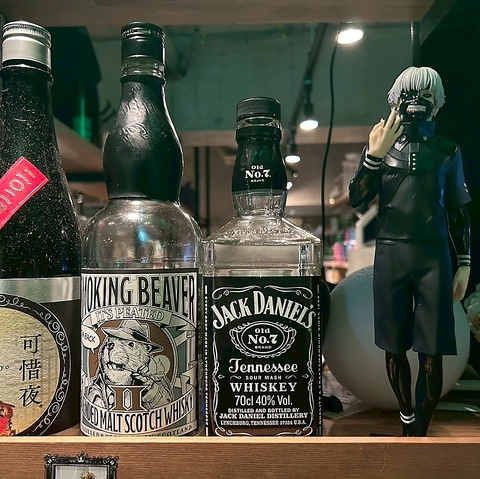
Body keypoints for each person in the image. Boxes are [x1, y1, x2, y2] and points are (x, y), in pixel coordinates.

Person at [349, 66, 471, 436]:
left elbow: (458, 210)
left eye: (425, 95)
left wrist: (464, 262)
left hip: (434, 256)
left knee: (432, 350)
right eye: (409, 95)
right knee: (394, 345)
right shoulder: (381, 148)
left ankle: (419, 430)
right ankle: (407, 420)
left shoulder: (447, 150)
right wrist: (373, 157)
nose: (416, 102)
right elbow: (357, 198)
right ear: (396, 101)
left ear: (437, 102)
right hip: (391, 255)